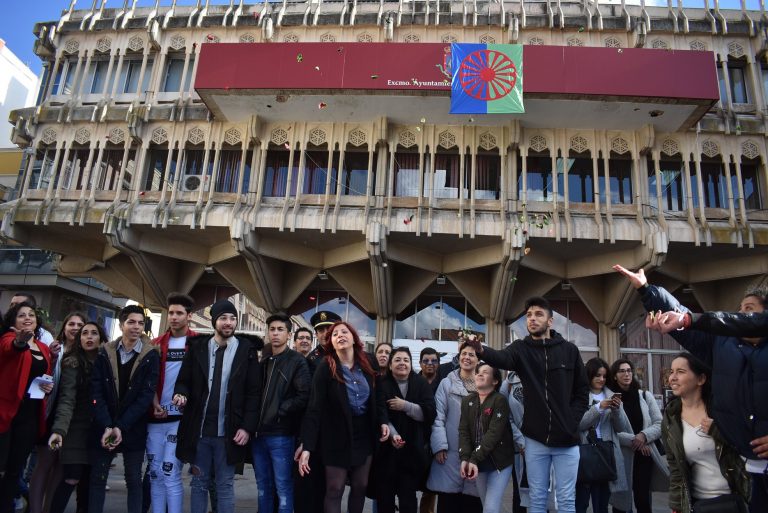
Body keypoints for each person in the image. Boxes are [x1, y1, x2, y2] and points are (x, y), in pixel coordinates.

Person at [613, 264, 768, 512]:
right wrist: (646, 290)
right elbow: (683, 318)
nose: (739, 315)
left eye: (749, 309)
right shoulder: (721, 345)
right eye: (739, 309)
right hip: (744, 472)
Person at [464, 296, 589, 513]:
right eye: (529, 315)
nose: (532, 318)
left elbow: (582, 392)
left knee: (566, 500)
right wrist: (481, 350)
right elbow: (502, 358)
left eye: (538, 314)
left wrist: (572, 421)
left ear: (550, 321)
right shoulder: (520, 349)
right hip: (535, 440)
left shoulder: (569, 350)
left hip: (567, 440)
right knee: (536, 498)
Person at [172, 299, 261, 513]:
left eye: (232, 318)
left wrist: (247, 427)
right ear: (214, 321)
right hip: (199, 431)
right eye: (223, 318)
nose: (228, 322)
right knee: (198, 483)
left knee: (225, 485)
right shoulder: (198, 348)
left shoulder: (246, 350)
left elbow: (254, 393)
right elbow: (183, 380)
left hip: (229, 432)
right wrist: (180, 393)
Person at [298, 321, 389, 513]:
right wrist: (307, 446)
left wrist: (383, 421)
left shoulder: (369, 362)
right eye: (335, 334)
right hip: (335, 435)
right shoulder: (326, 367)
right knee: (335, 488)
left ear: (353, 338)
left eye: (344, 332)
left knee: (360, 485)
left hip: (364, 434)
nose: (340, 335)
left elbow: (379, 395)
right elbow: (314, 408)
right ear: (331, 343)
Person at [89, 305, 160, 513]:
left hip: (133, 426)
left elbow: (146, 396)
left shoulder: (151, 355)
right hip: (105, 425)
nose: (136, 327)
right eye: (131, 322)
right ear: (121, 325)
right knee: (98, 478)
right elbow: (96, 391)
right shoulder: (105, 352)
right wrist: (108, 425)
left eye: (140, 323)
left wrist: (121, 426)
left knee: (133, 479)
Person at [662, 352, 750, 513]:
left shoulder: (721, 410)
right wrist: (677, 506)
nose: (672, 377)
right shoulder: (671, 417)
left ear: (701, 379)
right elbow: (675, 469)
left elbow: (745, 446)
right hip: (699, 504)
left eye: (680, 372)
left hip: (734, 500)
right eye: (671, 372)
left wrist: (718, 431)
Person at [47, 322, 108, 513]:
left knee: (90, 482)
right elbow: (67, 399)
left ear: (101, 339)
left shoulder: (107, 362)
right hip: (75, 428)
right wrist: (59, 430)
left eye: (94, 333)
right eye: (84, 333)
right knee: (71, 478)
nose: (89, 337)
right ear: (79, 339)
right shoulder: (72, 362)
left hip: (99, 429)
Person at [28, 312, 86, 513]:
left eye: (80, 325)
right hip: (50, 414)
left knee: (60, 469)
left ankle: (49, 509)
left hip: (72, 419)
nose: (75, 328)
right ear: (64, 327)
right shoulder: (53, 349)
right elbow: (39, 378)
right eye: (71, 324)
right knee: (44, 464)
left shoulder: (86, 354)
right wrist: (52, 361)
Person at [0, 302, 54, 513]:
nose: (27, 318)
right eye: (21, 315)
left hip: (30, 415)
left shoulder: (43, 347)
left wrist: (46, 387)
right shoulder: (8, 339)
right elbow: (10, 349)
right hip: (7, 414)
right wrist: (19, 342)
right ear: (13, 321)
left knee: (15, 471)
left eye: (31, 314)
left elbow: (41, 377)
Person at [254, 313, 310, 513]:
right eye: (272, 329)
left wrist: (280, 410)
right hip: (258, 434)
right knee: (263, 487)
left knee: (283, 488)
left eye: (280, 329)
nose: (275, 333)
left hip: (281, 434)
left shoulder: (296, 361)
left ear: (288, 334)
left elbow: (304, 395)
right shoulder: (264, 359)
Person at [147, 293, 197, 513]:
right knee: (155, 473)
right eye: (171, 313)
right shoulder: (155, 344)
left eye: (179, 313)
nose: (174, 317)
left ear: (189, 316)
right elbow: (147, 381)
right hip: (156, 417)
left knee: (170, 472)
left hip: (181, 420)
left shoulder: (199, 343)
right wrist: (154, 403)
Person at [371, 347, 436, 513]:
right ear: (390, 365)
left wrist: (406, 406)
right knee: (385, 498)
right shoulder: (382, 384)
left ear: (411, 364)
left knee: (408, 498)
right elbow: (380, 413)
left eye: (406, 360)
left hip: (412, 450)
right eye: (398, 360)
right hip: (386, 450)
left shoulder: (420, 383)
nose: (402, 363)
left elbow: (430, 413)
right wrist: (393, 435)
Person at [425, 342, 482, 513]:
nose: (467, 357)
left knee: (472, 504)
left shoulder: (485, 385)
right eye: (464, 354)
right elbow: (438, 417)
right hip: (449, 453)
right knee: (448, 503)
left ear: (478, 360)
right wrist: (439, 446)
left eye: (471, 354)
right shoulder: (447, 383)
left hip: (476, 454)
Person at [295, 310, 342, 513]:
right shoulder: (310, 360)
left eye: (328, 329)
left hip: (336, 431)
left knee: (333, 486)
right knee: (309, 484)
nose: (324, 334)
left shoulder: (344, 358)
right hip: (314, 430)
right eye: (320, 330)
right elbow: (307, 401)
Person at [607, 358, 668, 513]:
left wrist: (644, 436)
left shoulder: (645, 396)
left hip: (644, 455)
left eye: (629, 370)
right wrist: (636, 440)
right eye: (622, 371)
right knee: (621, 505)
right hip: (621, 456)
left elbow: (659, 424)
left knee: (643, 501)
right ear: (614, 376)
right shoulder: (611, 399)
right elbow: (611, 431)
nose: (626, 374)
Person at [576, 358, 631, 513]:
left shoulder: (612, 395)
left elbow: (621, 428)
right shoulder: (580, 396)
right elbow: (579, 424)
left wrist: (616, 410)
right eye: (597, 375)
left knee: (602, 502)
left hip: (606, 450)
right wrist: (598, 408)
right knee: (581, 500)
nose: (601, 379)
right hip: (585, 450)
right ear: (589, 375)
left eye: (604, 376)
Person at [457, 363, 514, 513]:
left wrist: (473, 459)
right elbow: (463, 431)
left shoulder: (499, 400)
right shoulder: (467, 400)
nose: (480, 374)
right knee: (486, 505)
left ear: (495, 381)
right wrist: (465, 457)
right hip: (479, 462)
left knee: (490, 508)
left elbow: (493, 434)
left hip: (499, 462)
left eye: (485, 372)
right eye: (478, 372)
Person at [417, 347, 441, 513]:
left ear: (438, 364)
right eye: (426, 361)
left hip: (435, 436)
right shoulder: (412, 381)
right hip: (415, 436)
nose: (430, 364)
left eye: (434, 361)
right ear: (420, 363)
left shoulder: (443, 382)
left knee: (431, 485)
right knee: (410, 480)